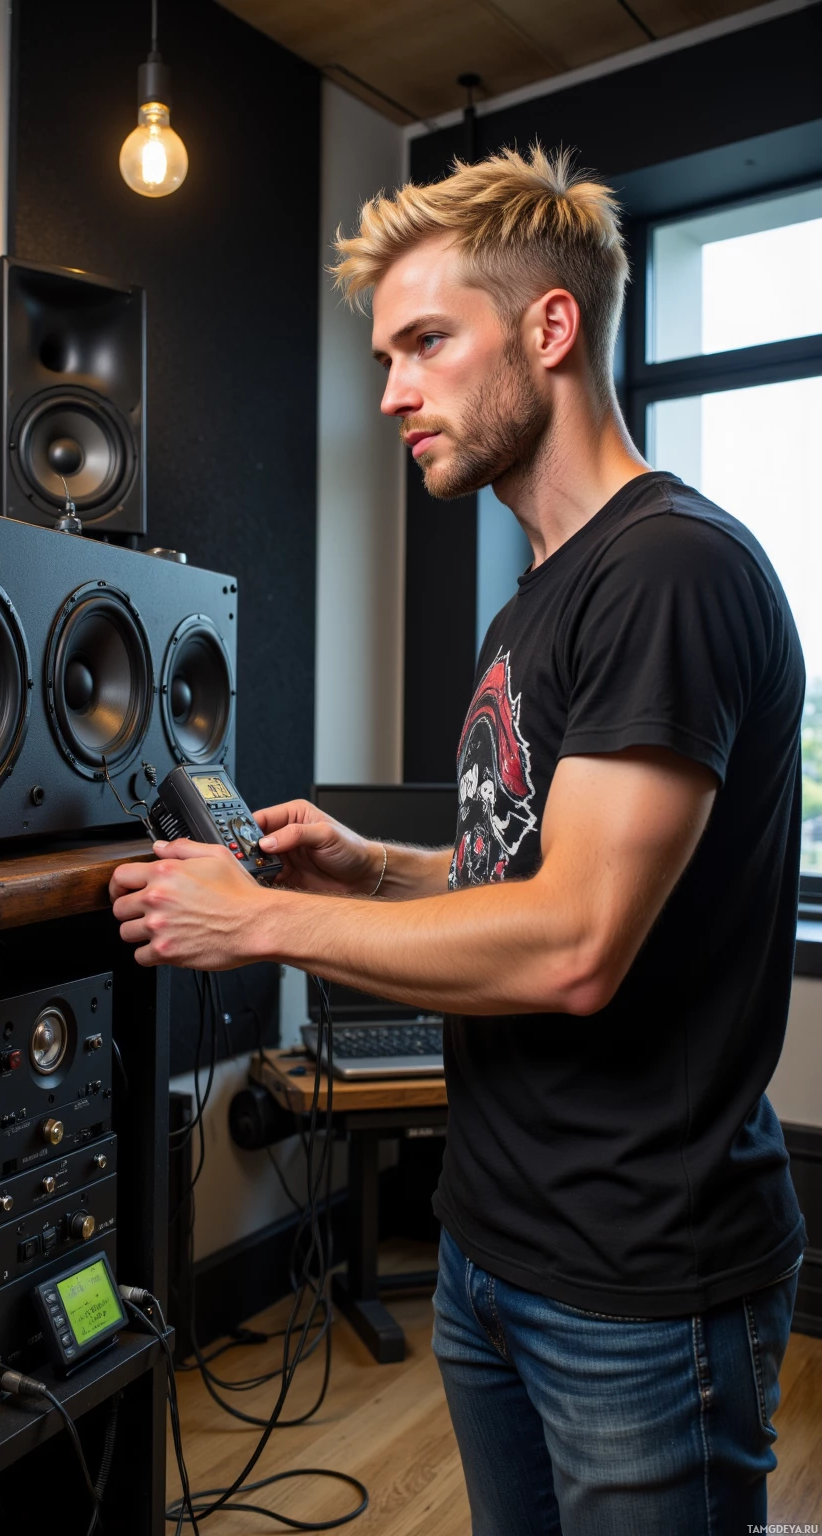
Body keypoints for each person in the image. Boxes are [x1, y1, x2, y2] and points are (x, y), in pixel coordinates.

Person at [108, 145, 807, 1534]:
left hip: (638, 1280)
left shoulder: (671, 570)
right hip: (496, 1242)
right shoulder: (537, 600)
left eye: (427, 342)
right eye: (386, 355)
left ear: (550, 329)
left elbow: (574, 949)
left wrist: (260, 921)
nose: (391, 394)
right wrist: (377, 869)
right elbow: (538, 871)